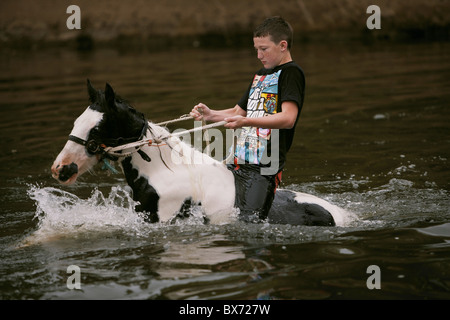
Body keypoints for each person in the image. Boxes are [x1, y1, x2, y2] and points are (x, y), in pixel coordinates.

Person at [190, 16, 305, 223]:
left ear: (282, 45)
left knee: (249, 224)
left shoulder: (292, 73)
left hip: (264, 167)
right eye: (256, 50)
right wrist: (211, 114)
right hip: (238, 160)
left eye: (264, 49)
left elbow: (288, 118)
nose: (259, 55)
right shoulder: (260, 74)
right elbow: (238, 112)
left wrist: (247, 123)